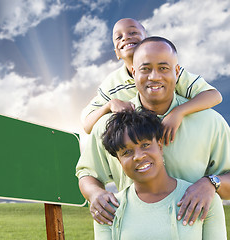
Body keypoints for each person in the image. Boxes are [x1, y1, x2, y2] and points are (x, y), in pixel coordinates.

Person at [76, 37, 230, 234]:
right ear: (133, 72)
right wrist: (95, 193)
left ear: (176, 72)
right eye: (145, 69)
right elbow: (87, 173)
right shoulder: (109, 126)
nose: (154, 77)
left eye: (164, 68)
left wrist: (211, 183)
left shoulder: (210, 122)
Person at [81, 18, 222, 146]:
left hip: (179, 139)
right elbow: (87, 125)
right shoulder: (112, 84)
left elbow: (214, 95)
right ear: (116, 53)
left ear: (146, 42)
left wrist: (178, 112)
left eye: (132, 32)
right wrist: (109, 105)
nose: (126, 38)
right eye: (119, 37)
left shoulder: (169, 73)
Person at [94, 109, 227, 239]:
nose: (138, 157)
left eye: (145, 145)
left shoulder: (204, 199)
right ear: (119, 161)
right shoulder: (107, 209)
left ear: (160, 146)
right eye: (127, 152)